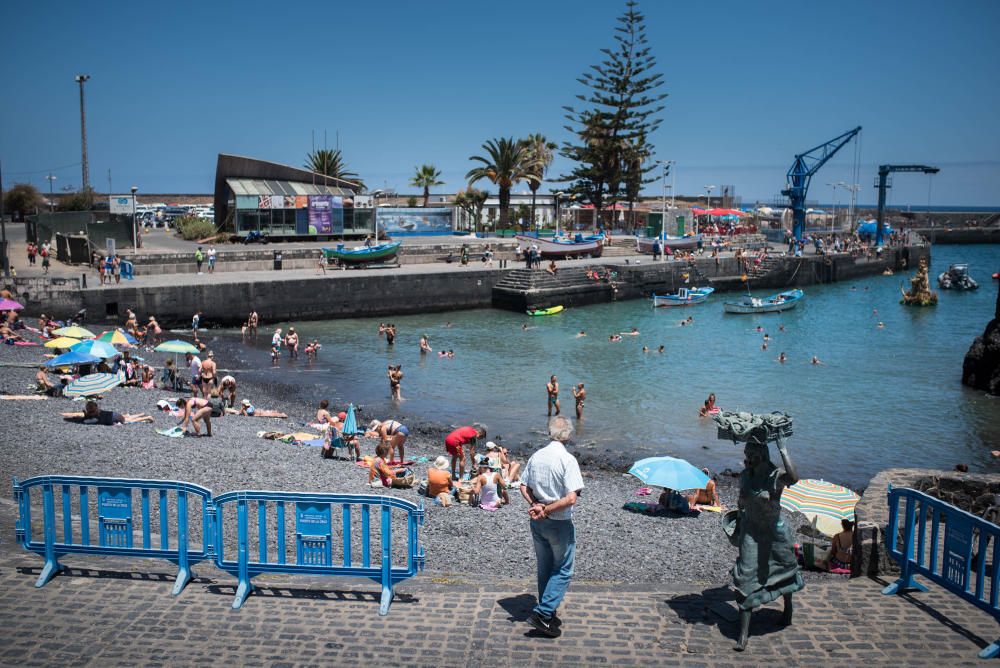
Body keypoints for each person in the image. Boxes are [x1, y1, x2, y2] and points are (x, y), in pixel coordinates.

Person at [519, 416, 584, 637]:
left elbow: (522, 486)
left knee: (545, 566)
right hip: (558, 521)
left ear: (549, 433)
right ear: (568, 435)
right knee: (563, 568)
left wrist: (535, 505)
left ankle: (547, 610)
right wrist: (545, 509)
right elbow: (571, 498)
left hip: (537, 520)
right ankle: (544, 613)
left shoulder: (537, 456)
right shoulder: (567, 459)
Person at [79, 400, 153, 425]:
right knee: (126, 417)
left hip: (112, 417)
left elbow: (87, 421)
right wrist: (87, 414)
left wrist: (86, 415)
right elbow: (93, 414)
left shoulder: (94, 416)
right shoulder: (97, 409)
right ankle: (141, 414)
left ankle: (147, 417)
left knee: (129, 421)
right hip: (113, 414)